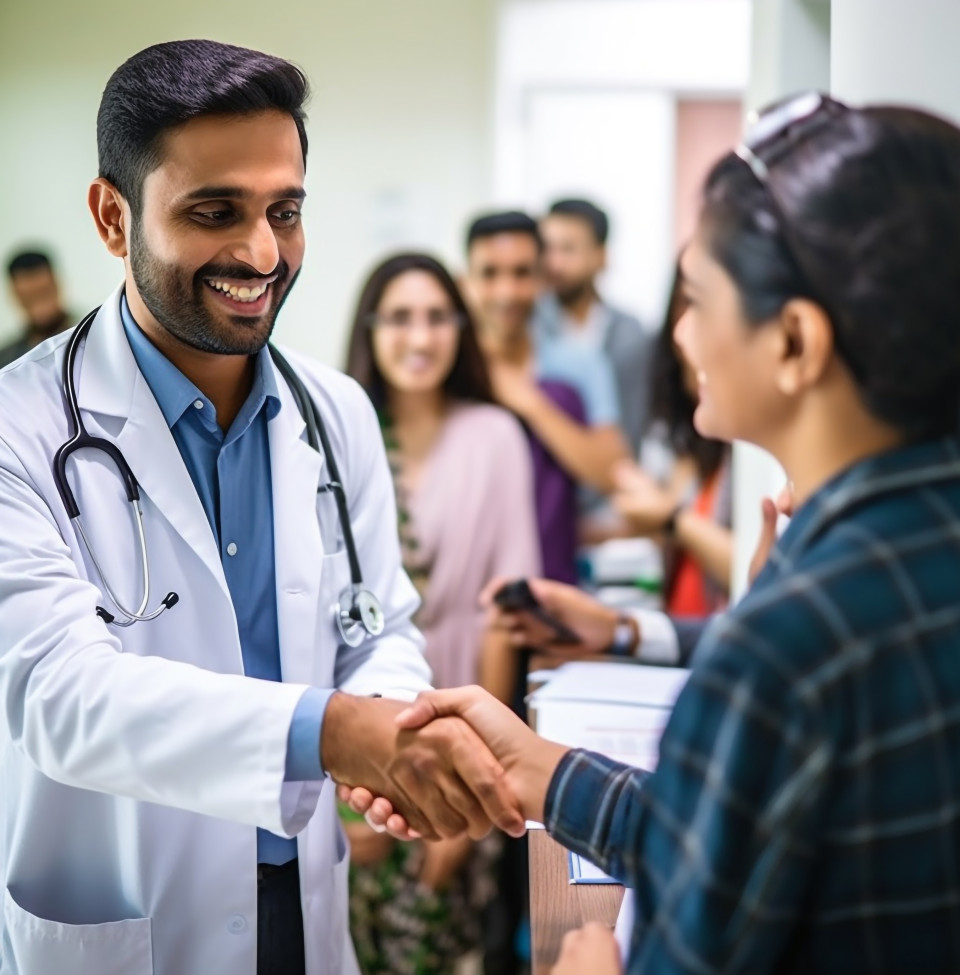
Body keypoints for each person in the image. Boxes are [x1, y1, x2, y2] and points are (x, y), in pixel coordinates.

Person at [349, 93, 960, 974]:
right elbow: (720, 836)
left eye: (700, 298)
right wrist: (543, 771)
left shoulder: (781, 651)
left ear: (793, 341)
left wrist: (588, 962)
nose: (680, 332)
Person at [0, 40, 524, 975]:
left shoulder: (336, 412)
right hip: (130, 920)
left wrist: (396, 725)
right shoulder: (22, 428)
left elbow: (376, 624)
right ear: (112, 216)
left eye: (285, 211)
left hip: (304, 903)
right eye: (215, 211)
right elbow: (60, 695)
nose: (261, 252)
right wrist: (334, 733)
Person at [342, 252, 540, 973]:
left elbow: (501, 617)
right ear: (370, 328)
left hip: (459, 747)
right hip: (352, 751)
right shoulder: (339, 435)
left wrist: (466, 789)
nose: (419, 336)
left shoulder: (496, 435)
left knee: (437, 946)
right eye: (399, 317)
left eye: (435, 316)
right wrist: (343, 789)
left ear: (461, 329)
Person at [463, 210, 629, 583]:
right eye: (490, 274)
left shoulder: (580, 365)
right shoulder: (450, 367)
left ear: (542, 280)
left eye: (522, 274)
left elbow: (612, 472)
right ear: (466, 282)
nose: (507, 292)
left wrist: (530, 403)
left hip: (554, 577)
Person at [609, 264, 733, 618]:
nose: (685, 333)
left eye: (701, 304)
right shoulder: (682, 437)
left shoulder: (751, 452)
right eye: (685, 304)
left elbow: (754, 573)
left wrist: (670, 516)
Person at [535, 198, 654, 456]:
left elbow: (637, 426)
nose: (554, 263)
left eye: (568, 249)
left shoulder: (631, 336)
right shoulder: (528, 328)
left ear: (601, 256)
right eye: (547, 249)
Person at [1, 250, 73, 368]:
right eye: (29, 298)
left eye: (44, 293)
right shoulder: (6, 362)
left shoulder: (91, 336)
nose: (40, 308)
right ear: (15, 296)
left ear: (57, 285)